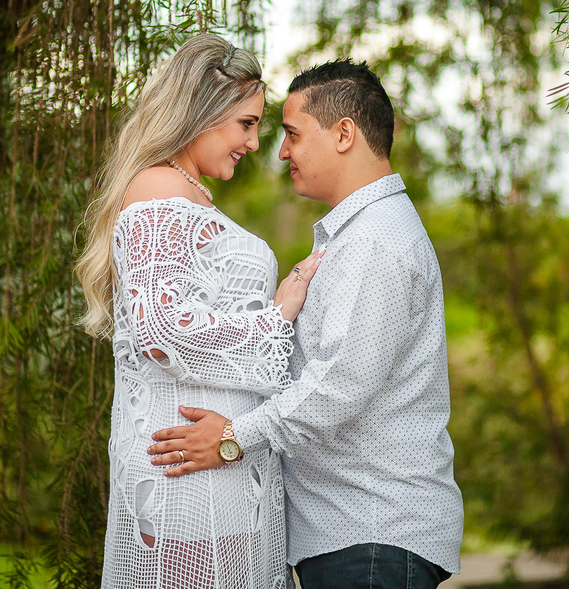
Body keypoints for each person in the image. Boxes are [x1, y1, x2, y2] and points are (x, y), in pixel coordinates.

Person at [146, 60, 464, 589]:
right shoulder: (358, 235)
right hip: (355, 537)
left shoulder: (374, 241)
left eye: (292, 134)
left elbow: (340, 387)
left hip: (371, 536)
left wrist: (230, 438)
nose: (281, 151)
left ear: (344, 134)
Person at [76, 33, 323, 589]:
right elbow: (162, 331)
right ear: (202, 112)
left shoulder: (186, 193)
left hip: (218, 463)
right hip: (185, 473)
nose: (255, 142)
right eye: (246, 123)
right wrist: (277, 318)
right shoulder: (158, 190)